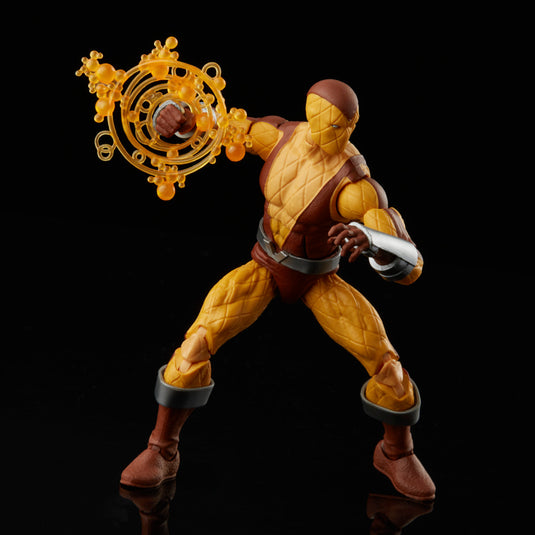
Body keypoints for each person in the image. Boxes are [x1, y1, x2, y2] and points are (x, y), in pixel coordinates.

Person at [120, 79, 435, 502]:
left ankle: (396, 453)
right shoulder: (282, 136)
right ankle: (162, 449)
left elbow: (412, 265)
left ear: (350, 126)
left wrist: (376, 242)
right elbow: (214, 128)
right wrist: (173, 116)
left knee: (388, 368)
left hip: (320, 278)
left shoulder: (357, 188)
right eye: (316, 118)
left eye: (334, 125)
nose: (321, 132)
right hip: (265, 265)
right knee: (195, 344)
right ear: (307, 110)